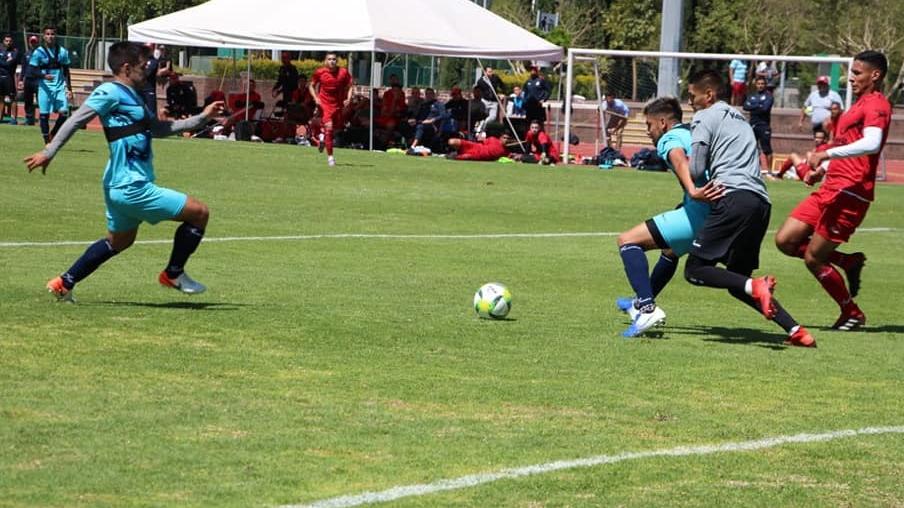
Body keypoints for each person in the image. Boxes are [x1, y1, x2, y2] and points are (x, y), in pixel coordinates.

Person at [23, 41, 226, 302]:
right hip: (132, 185)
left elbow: (160, 129)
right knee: (199, 213)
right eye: (143, 66)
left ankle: (64, 283)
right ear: (127, 68)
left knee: (119, 242)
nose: (147, 70)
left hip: (119, 184)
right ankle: (173, 273)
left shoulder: (134, 97)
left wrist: (202, 118)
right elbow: (76, 120)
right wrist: (48, 152)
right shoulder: (110, 91)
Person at [683, 68, 815, 347]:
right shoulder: (740, 119)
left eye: (692, 95)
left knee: (695, 270)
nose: (690, 101)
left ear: (709, 94)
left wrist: (692, 177)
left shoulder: (705, 116)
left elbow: (695, 168)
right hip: (760, 203)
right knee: (739, 282)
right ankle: (796, 330)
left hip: (733, 198)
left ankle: (759, 287)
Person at [774, 50, 892, 331]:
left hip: (851, 194)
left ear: (875, 75)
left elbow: (872, 143)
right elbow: (847, 145)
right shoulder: (857, 106)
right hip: (831, 187)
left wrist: (826, 156)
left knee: (813, 258)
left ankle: (852, 313)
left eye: (857, 73)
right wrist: (821, 169)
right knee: (785, 240)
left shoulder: (878, 105)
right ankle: (846, 261)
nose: (851, 78)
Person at [614, 97, 717, 336]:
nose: (649, 132)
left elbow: (679, 158)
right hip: (717, 209)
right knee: (670, 251)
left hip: (700, 210)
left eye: (649, 125)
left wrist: (692, 190)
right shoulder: (693, 132)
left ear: (662, 122)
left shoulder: (669, 139)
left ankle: (647, 308)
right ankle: (641, 302)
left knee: (627, 241)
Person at [29, 26, 72, 144]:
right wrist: (43, 76)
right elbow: (31, 70)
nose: (50, 37)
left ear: (56, 36)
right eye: (47, 34)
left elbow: (66, 71)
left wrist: (69, 88)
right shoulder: (38, 52)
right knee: (44, 115)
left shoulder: (63, 52)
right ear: (43, 36)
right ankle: (46, 141)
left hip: (59, 88)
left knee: (64, 113)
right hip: (44, 88)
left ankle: (53, 133)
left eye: (52, 34)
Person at [309, 51, 353, 167]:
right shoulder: (320, 72)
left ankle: (322, 137)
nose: (332, 61)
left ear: (337, 61)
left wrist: (348, 98)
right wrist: (316, 98)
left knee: (335, 128)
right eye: (329, 59)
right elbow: (311, 86)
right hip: (325, 105)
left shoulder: (343, 72)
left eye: (334, 59)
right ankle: (330, 158)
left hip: (338, 105)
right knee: (329, 127)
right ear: (325, 61)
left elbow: (350, 86)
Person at [743, 76, 774, 172]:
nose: (760, 86)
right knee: (752, 148)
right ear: (756, 85)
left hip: (764, 125)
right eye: (759, 84)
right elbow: (745, 106)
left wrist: (753, 105)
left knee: (767, 149)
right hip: (753, 124)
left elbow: (765, 108)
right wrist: (759, 104)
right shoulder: (752, 95)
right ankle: (753, 169)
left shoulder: (769, 96)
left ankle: (769, 171)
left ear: (765, 85)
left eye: (762, 84)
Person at [141, 43, 171, 115]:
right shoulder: (141, 60)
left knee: (151, 112)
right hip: (140, 90)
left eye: (148, 48)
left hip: (149, 91)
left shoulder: (153, 61)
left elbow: (147, 73)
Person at [18, 35, 40, 125]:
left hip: (38, 80)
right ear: (29, 43)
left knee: (41, 100)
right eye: (32, 42)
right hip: (28, 80)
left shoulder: (41, 54)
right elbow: (23, 68)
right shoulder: (26, 54)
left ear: (37, 43)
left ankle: (42, 119)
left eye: (35, 42)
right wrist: (20, 80)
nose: (33, 44)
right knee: (28, 101)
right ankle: (29, 119)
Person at [474, 66, 504, 132]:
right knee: (482, 116)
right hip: (485, 101)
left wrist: (501, 93)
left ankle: (482, 127)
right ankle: (481, 131)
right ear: (485, 72)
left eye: (491, 71)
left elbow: (502, 85)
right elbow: (477, 90)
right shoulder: (481, 81)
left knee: (493, 117)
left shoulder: (495, 77)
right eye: (489, 72)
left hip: (494, 101)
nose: (491, 73)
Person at [1, 34, 20, 124]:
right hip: (0, 77)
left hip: (9, 77)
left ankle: (13, 119)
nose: (8, 43)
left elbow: (10, 64)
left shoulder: (15, 51)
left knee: (13, 98)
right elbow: (6, 63)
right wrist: (5, 61)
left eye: (10, 41)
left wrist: (2, 61)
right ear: (3, 41)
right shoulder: (0, 50)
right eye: (6, 41)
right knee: (0, 98)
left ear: (12, 42)